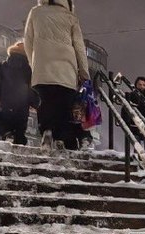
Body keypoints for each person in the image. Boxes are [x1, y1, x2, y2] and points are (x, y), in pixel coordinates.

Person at [24, 0, 89, 150]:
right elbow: (79, 47)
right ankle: (60, 137)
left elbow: (28, 42)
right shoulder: (70, 17)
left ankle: (47, 130)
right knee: (64, 105)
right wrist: (84, 74)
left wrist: (33, 63)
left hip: (42, 67)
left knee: (45, 101)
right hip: (66, 69)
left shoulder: (36, 12)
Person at [0, 40, 39, 145]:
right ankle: (19, 142)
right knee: (20, 131)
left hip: (6, 102)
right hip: (22, 105)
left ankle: (7, 133)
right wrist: (35, 103)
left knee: (4, 123)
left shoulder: (4, 65)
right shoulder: (28, 69)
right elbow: (30, 88)